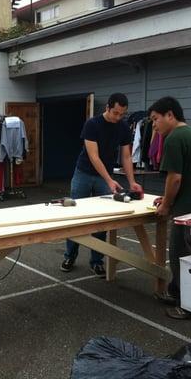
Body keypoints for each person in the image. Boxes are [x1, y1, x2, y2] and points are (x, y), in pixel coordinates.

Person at [148, 96, 191, 320]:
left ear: (170, 115)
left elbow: (175, 178)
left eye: (156, 119)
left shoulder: (174, 138)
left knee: (182, 256)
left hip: (189, 211)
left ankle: (190, 306)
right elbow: (185, 177)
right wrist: (165, 197)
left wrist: (166, 205)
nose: (154, 126)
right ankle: (176, 294)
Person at [61, 93, 143, 276]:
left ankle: (97, 261)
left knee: (102, 219)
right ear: (107, 107)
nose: (118, 117)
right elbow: (93, 156)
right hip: (84, 173)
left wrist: (132, 182)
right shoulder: (92, 124)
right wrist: (109, 180)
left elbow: (127, 156)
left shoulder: (123, 127)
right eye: (115, 113)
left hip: (105, 176)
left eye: (122, 114)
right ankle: (69, 255)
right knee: (75, 216)